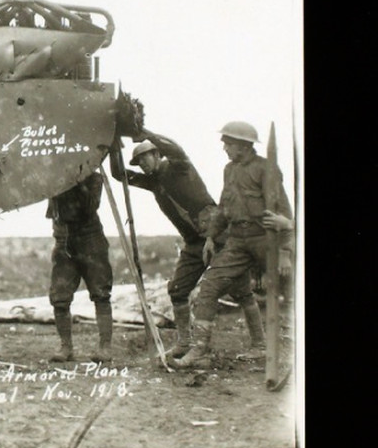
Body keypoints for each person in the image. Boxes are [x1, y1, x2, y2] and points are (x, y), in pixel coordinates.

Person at [172, 121, 294, 369]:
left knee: (290, 288)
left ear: (243, 145)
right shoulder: (229, 170)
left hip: (266, 238)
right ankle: (200, 351)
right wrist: (209, 237)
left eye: (228, 143)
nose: (225, 148)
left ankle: (282, 349)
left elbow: (284, 210)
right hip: (237, 240)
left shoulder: (265, 169)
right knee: (210, 284)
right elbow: (223, 208)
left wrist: (284, 251)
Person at [110, 129, 219, 358]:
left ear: (157, 154)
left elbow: (176, 148)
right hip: (193, 243)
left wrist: (144, 133)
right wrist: (112, 145)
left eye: (145, 158)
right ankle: (185, 342)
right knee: (177, 290)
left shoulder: (177, 166)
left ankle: (259, 344)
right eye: (138, 162)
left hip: (216, 235)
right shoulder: (153, 182)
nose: (142, 164)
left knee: (238, 288)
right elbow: (120, 175)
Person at [45, 171, 115, 363]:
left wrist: (76, 182)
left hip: (90, 240)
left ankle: (105, 348)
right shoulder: (52, 176)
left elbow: (90, 206)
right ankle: (66, 347)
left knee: (101, 293)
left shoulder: (94, 178)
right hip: (64, 242)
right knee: (59, 297)